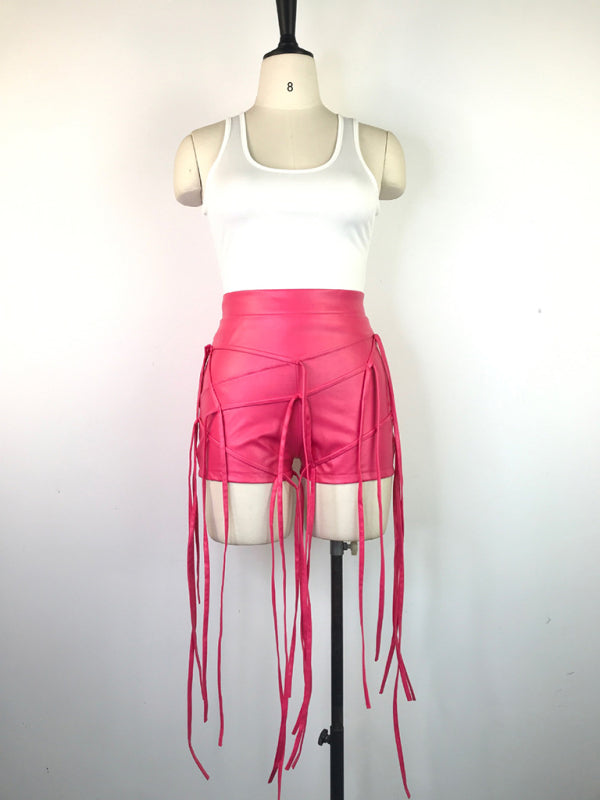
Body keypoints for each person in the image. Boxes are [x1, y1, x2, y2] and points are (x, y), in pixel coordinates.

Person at [174, 51, 414, 798]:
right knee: (246, 532)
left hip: (349, 373)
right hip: (245, 375)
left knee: (352, 532)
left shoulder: (375, 146)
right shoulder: (204, 147)